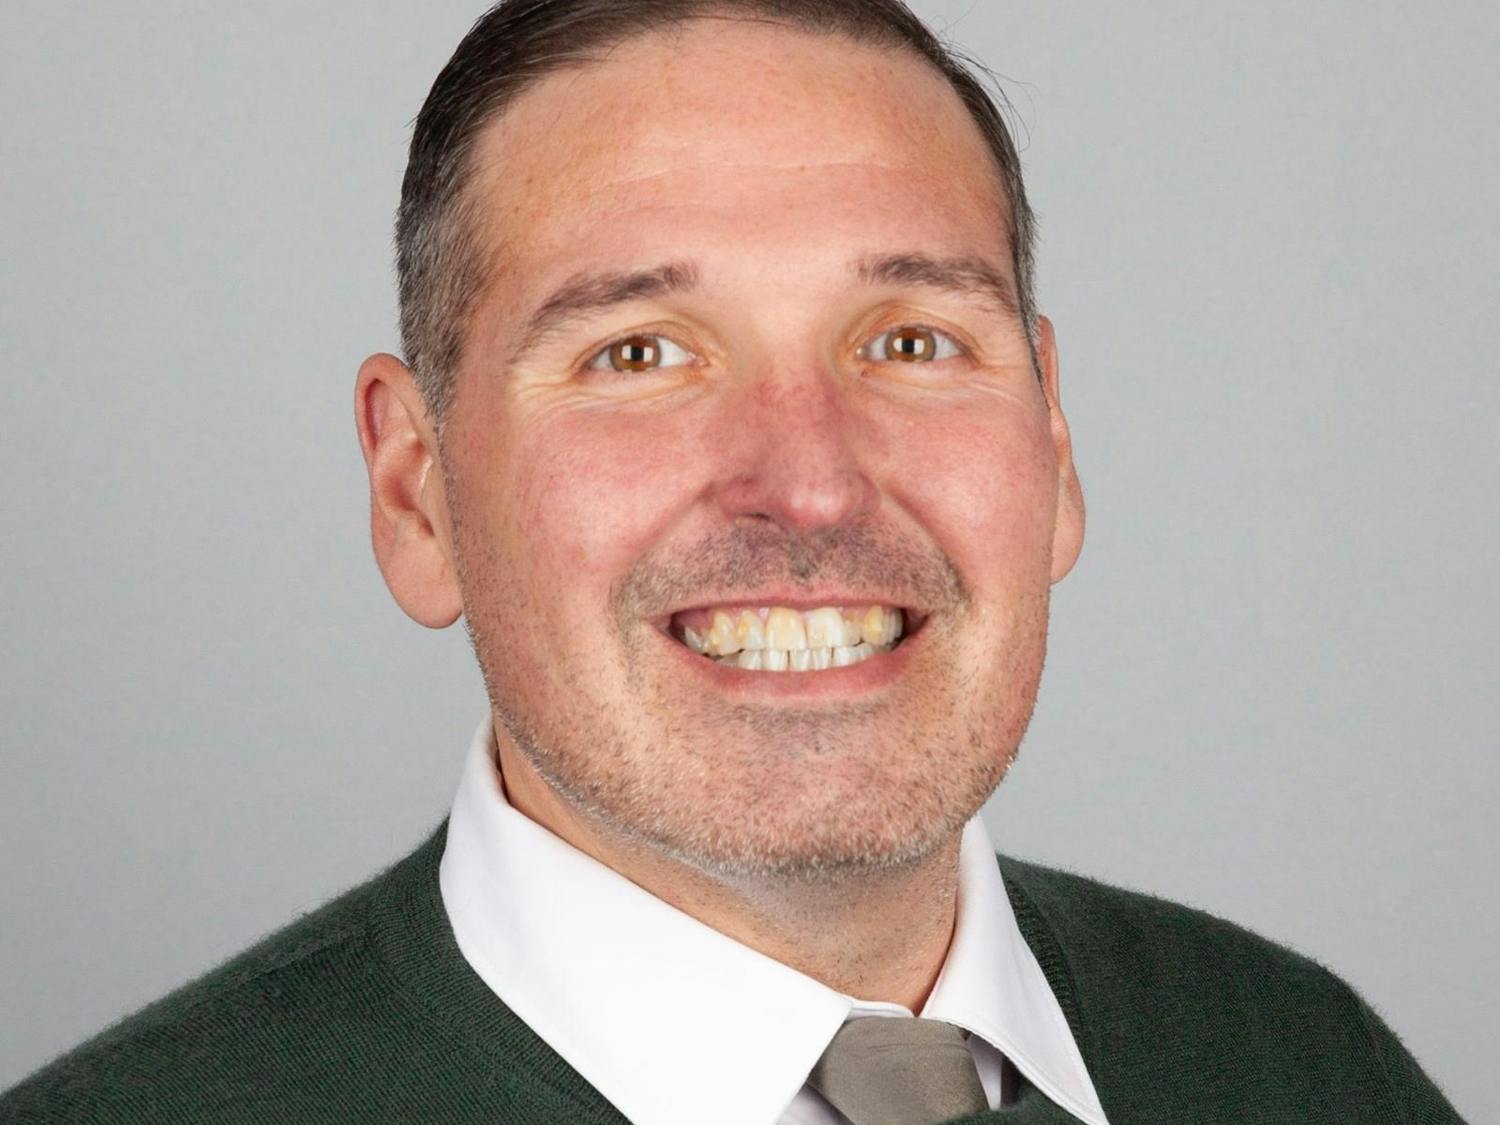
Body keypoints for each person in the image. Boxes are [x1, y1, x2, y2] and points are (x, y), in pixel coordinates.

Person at [0, 2, 1466, 1123]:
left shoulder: (1304, 1064)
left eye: (910, 340)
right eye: (639, 353)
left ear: (1057, 448)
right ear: (417, 490)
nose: (811, 479)